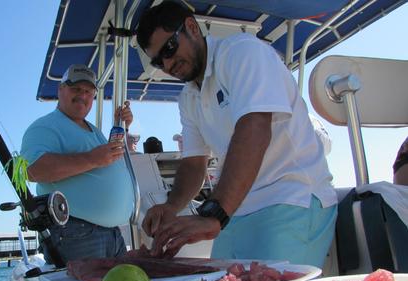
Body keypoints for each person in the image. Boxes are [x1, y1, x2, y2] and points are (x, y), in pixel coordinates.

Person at [135, 1, 338, 267]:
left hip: (290, 197)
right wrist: (171, 207)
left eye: (170, 49)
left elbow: (255, 128)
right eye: (158, 60)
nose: (168, 63)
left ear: (192, 27)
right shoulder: (189, 97)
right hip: (236, 209)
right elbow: (194, 162)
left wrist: (214, 214)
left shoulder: (242, 52)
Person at [20, 64, 134, 264]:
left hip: (112, 234)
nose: (83, 95)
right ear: (60, 89)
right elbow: (32, 170)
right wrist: (92, 158)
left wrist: (120, 125)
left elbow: (106, 158)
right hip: (77, 234)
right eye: (76, 89)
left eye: (89, 92)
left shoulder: (94, 130)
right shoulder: (44, 126)